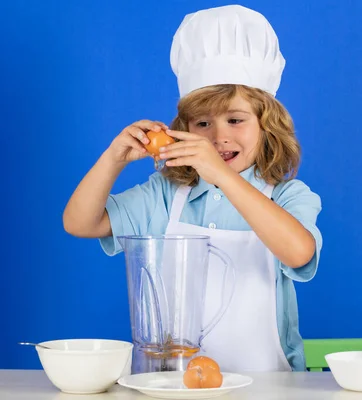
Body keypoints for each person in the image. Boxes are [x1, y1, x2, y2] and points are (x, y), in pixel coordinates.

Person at [62, 4, 322, 372]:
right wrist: (113, 159)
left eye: (236, 120)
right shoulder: (167, 195)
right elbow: (80, 223)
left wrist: (223, 177)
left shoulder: (287, 196)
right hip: (176, 381)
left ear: (268, 125)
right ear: (183, 127)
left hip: (270, 384)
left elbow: (298, 253)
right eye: (202, 123)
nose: (219, 136)